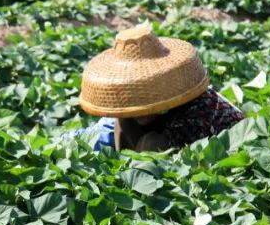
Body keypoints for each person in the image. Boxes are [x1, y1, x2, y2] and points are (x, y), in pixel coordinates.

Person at [76, 24, 244, 151]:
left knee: (150, 144)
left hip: (220, 145)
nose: (138, 103)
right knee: (124, 123)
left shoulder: (194, 113)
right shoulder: (146, 113)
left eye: (144, 92)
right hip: (171, 126)